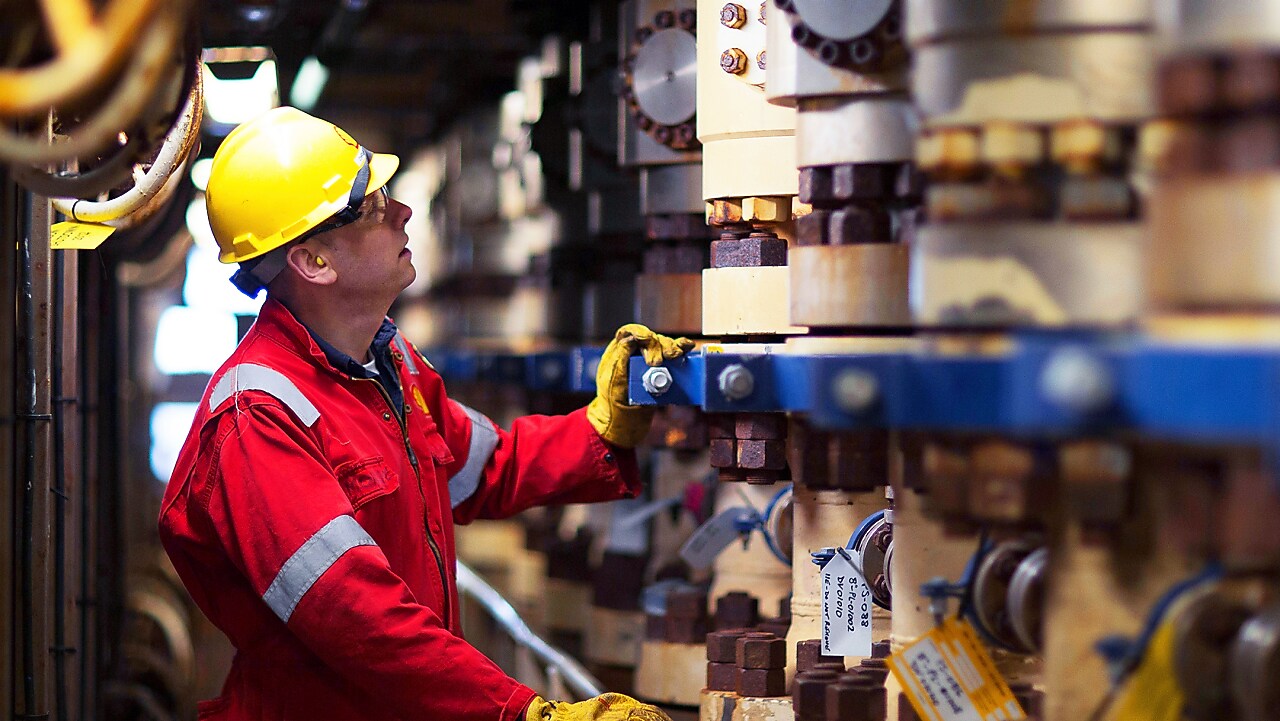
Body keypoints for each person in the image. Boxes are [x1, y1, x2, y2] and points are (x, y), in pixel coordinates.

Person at [158, 106, 692, 721]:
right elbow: (359, 621)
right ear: (314, 262)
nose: (404, 213)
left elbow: (487, 467)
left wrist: (605, 426)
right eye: (376, 209)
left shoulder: (387, 364)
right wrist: (522, 713)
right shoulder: (259, 418)